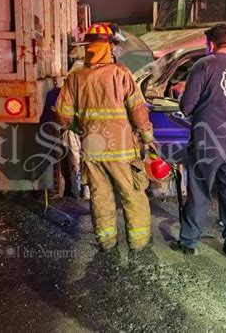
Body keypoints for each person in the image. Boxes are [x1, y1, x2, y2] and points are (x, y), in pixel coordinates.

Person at [55, 23, 155, 252]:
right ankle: (139, 244)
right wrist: (147, 136)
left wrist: (81, 128)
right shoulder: (121, 74)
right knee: (133, 195)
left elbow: (63, 117)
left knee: (100, 198)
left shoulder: (75, 79)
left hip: (93, 149)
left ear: (88, 48)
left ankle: (107, 243)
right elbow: (138, 110)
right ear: (108, 47)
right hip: (122, 151)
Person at [170, 24, 226, 259]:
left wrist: (180, 92)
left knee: (199, 192)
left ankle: (189, 242)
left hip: (207, 142)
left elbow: (187, 106)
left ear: (211, 44)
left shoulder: (204, 65)